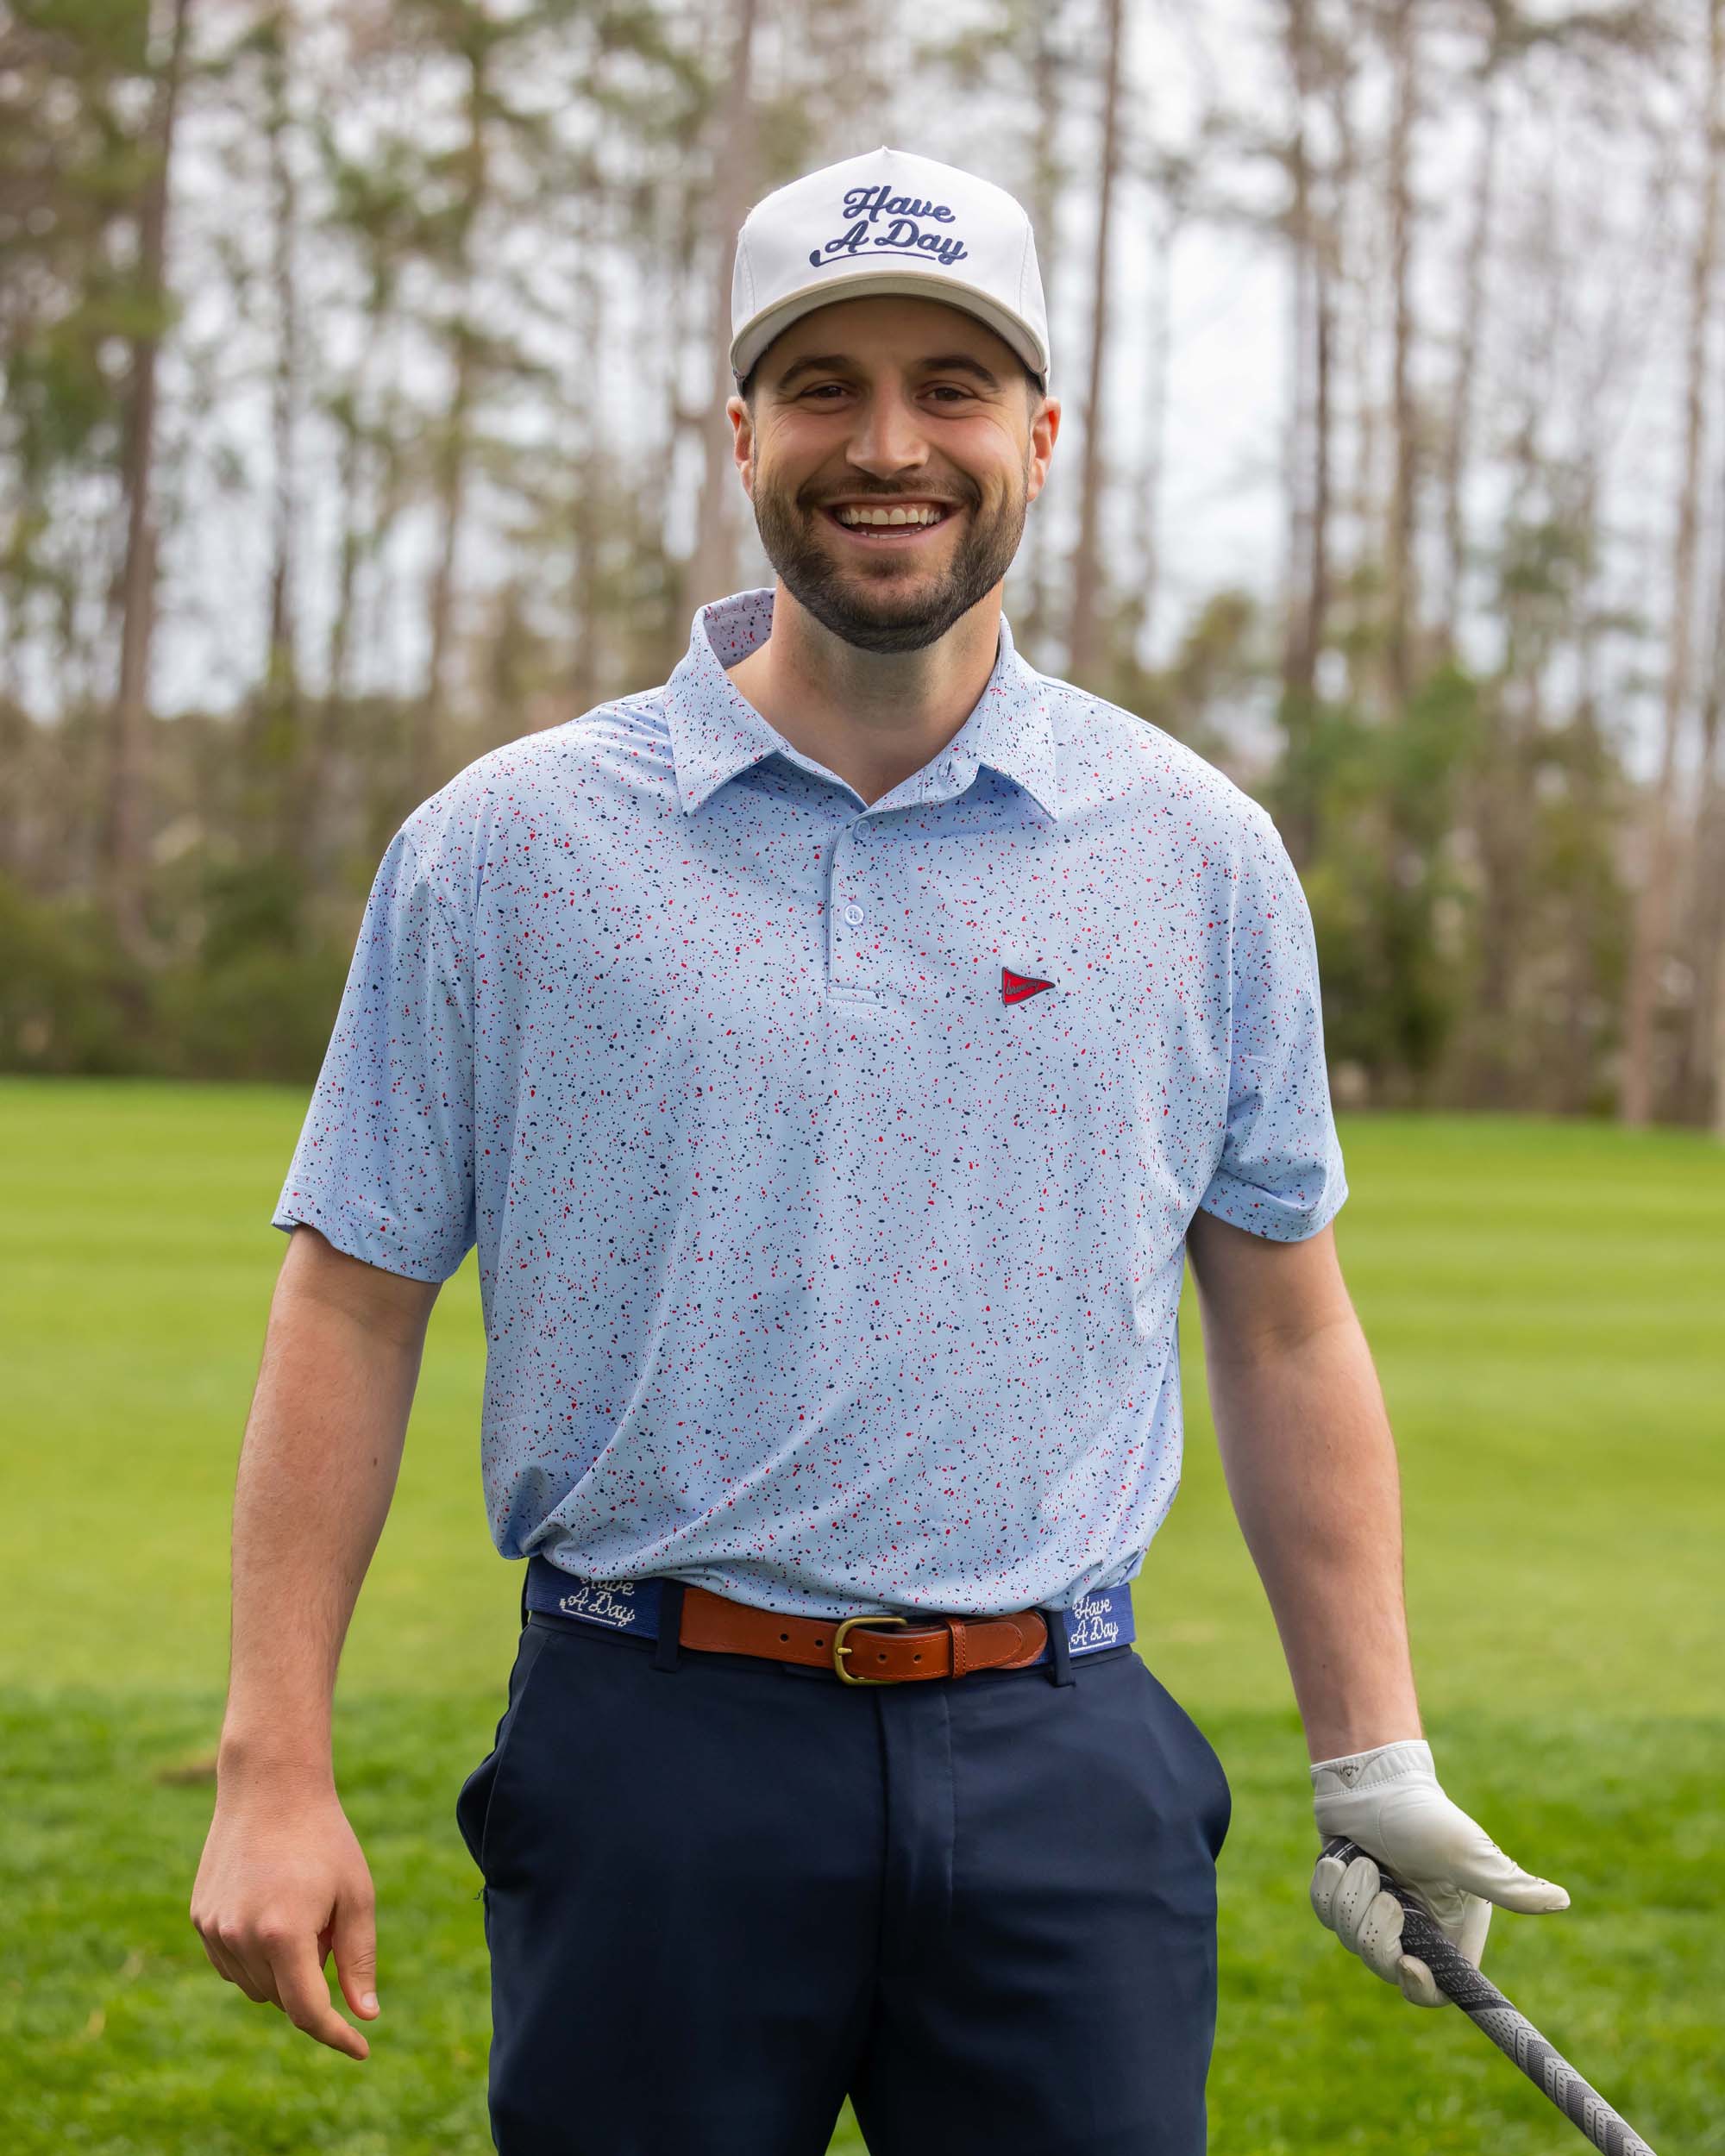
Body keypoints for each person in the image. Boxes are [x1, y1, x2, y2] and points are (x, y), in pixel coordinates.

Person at [190, 145, 1570, 2156]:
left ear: (1040, 435)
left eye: (951, 386)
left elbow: (1284, 1322)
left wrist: (1371, 1750)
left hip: (1062, 1758)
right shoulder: (507, 845)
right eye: (824, 385)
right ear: (740, 431)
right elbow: (352, 1298)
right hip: (648, 1745)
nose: (890, 444)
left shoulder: (1194, 852)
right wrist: (271, 1759)